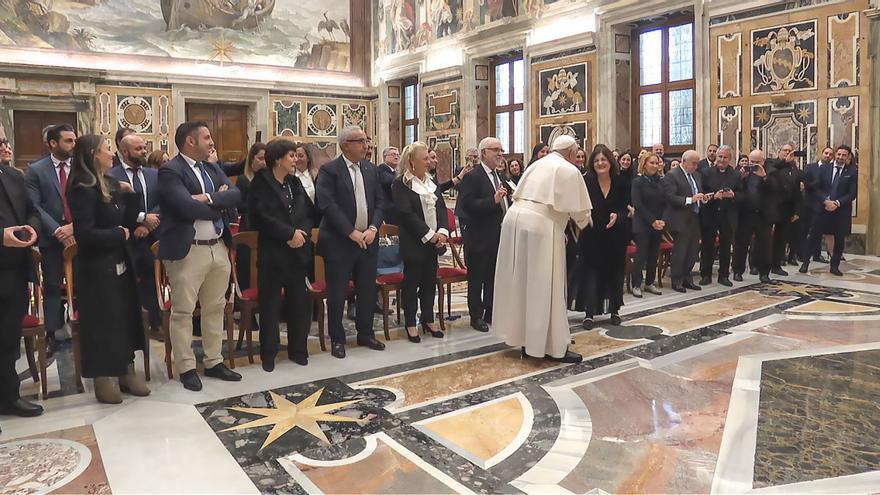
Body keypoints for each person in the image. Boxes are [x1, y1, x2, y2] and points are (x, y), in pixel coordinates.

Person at [158, 121, 242, 391]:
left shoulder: (212, 167)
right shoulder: (171, 170)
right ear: (190, 141)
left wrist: (205, 199)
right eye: (206, 137)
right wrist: (217, 201)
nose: (211, 142)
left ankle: (214, 360)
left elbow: (236, 195)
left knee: (215, 306)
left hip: (217, 246)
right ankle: (186, 366)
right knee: (183, 310)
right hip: (188, 250)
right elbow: (185, 207)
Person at [67, 134, 150, 403]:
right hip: (97, 268)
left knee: (125, 316)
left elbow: (126, 218)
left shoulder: (111, 183)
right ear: (93, 155)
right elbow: (86, 234)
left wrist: (130, 194)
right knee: (105, 323)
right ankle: (105, 377)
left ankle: (126, 370)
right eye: (106, 150)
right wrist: (118, 234)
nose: (111, 154)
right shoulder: (82, 187)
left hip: (120, 262)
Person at [494, 135, 591, 363]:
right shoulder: (568, 169)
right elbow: (581, 214)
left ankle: (528, 341)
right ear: (570, 153)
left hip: (514, 221)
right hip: (540, 227)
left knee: (521, 283)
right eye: (576, 154)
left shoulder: (538, 164)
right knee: (547, 285)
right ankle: (553, 347)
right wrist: (585, 222)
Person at [314, 125, 387, 359]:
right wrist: (350, 232)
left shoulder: (371, 169)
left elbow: (379, 202)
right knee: (337, 292)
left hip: (368, 239)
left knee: (366, 289)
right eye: (361, 141)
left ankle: (365, 333)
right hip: (339, 242)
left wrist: (373, 227)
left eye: (366, 141)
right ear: (346, 145)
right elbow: (327, 205)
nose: (366, 146)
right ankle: (337, 338)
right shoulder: (329, 170)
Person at [248, 139, 314, 371]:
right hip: (273, 253)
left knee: (299, 304)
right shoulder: (261, 183)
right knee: (270, 305)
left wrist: (301, 233)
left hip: (297, 252)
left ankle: (298, 349)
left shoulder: (294, 183)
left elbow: (308, 212)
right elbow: (261, 217)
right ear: (277, 159)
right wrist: (288, 233)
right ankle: (269, 353)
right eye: (291, 156)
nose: (295, 160)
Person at [24, 124, 77, 352]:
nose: (73, 145)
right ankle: (53, 333)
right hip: (51, 236)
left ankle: (81, 326)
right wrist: (57, 230)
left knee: (83, 282)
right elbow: (34, 205)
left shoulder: (80, 167)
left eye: (74, 140)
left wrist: (74, 228)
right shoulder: (36, 170)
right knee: (53, 285)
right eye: (68, 141)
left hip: (79, 234)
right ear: (53, 143)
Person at [106, 134, 163, 340]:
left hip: (152, 237)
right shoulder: (111, 176)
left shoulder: (153, 174)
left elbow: (163, 200)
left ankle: (155, 324)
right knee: (126, 284)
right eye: (138, 149)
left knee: (151, 280)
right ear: (124, 151)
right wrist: (141, 219)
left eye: (144, 147)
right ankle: (130, 328)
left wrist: (149, 224)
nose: (144, 152)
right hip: (125, 237)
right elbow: (114, 207)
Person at [0, 156, 44, 420]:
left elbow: (33, 209)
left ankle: (9, 396)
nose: (4, 146)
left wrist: (32, 228)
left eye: (3, 140)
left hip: (14, 269)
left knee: (8, 337)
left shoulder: (14, 175)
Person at [392, 142, 449, 343]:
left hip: (434, 243)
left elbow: (441, 208)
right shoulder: (401, 184)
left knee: (429, 283)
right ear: (411, 161)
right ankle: (410, 322)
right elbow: (406, 215)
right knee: (411, 284)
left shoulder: (431, 182)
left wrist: (442, 232)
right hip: (414, 242)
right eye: (424, 158)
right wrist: (429, 234)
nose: (429, 162)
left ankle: (428, 318)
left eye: (428, 158)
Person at [573, 145, 627, 329]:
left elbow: (626, 206)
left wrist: (617, 216)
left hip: (614, 235)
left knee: (614, 273)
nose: (600, 163)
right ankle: (589, 313)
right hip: (591, 235)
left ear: (610, 162)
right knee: (591, 274)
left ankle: (614, 310)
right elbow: (579, 206)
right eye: (596, 160)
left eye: (603, 159)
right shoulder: (585, 182)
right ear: (592, 163)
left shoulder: (621, 181)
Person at [458, 137, 507, 332]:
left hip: (497, 235)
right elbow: (467, 205)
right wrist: (492, 201)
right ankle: (476, 316)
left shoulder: (499, 176)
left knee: (492, 276)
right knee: (477, 278)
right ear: (484, 153)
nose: (500, 154)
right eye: (496, 150)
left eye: (501, 150)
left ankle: (490, 310)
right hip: (478, 237)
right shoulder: (473, 176)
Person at [799, 145, 858, 276]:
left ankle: (834, 266)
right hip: (822, 207)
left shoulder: (852, 171)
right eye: (839, 154)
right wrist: (825, 201)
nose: (840, 157)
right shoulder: (825, 168)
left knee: (839, 239)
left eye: (844, 155)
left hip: (840, 210)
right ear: (835, 154)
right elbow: (817, 187)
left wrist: (836, 203)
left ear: (848, 157)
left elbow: (852, 193)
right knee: (813, 236)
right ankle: (805, 263)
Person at [662, 150, 706, 293]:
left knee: (692, 251)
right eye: (693, 163)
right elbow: (670, 197)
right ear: (684, 161)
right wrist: (690, 200)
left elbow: (697, 192)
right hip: (679, 219)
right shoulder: (672, 175)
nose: (695, 166)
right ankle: (677, 280)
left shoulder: (696, 175)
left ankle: (687, 278)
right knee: (680, 251)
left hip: (694, 217)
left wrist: (703, 198)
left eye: (697, 163)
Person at [698, 145, 739, 287]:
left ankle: (724, 276)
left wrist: (732, 195)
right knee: (707, 245)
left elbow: (742, 194)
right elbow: (701, 193)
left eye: (725, 157)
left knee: (726, 246)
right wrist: (713, 196)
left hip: (727, 215)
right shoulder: (706, 172)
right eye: (719, 156)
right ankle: (705, 274)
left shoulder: (735, 174)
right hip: (710, 213)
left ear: (730, 159)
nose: (721, 159)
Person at [732, 149, 774, 283]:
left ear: (763, 161)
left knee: (764, 245)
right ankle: (738, 271)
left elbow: (775, 190)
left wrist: (764, 177)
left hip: (763, 215)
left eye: (757, 162)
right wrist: (740, 179)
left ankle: (764, 272)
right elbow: (734, 190)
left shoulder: (770, 172)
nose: (754, 165)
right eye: (752, 162)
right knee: (741, 244)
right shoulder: (742, 172)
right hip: (745, 214)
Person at [232, 142, 266, 301]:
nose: (264, 162)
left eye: (266, 159)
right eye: (260, 158)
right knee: (246, 266)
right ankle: (245, 304)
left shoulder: (268, 178)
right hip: (248, 226)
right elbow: (239, 205)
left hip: (265, 228)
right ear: (252, 159)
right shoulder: (243, 179)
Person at [630, 153, 665, 298]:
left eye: (657, 163)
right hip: (642, 223)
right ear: (644, 164)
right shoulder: (637, 182)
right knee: (641, 254)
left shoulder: (660, 181)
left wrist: (661, 221)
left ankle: (650, 282)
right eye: (652, 163)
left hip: (657, 224)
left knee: (653, 254)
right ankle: (636, 284)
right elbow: (638, 204)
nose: (655, 166)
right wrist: (652, 221)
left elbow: (664, 202)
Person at [766, 144, 800, 276]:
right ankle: (758, 264)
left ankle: (776, 265)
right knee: (764, 237)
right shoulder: (771, 163)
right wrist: (784, 162)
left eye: (790, 151)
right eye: (785, 150)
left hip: (786, 208)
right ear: (779, 152)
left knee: (781, 239)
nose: (787, 153)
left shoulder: (794, 169)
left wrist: (797, 211)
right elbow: (770, 172)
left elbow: (797, 191)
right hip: (771, 206)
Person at [799, 146, 834, 263]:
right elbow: (805, 183)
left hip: (821, 204)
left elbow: (829, 186)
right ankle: (801, 254)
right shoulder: (809, 167)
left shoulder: (832, 169)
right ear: (822, 153)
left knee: (818, 231)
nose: (827, 155)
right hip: (807, 203)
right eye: (826, 153)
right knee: (804, 229)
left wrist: (812, 186)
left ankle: (817, 255)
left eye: (830, 154)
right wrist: (815, 184)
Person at [377, 147, 400, 225]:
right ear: (385, 157)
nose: (396, 157)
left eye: (398, 155)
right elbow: (388, 181)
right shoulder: (382, 169)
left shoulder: (396, 172)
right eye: (393, 154)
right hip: (387, 210)